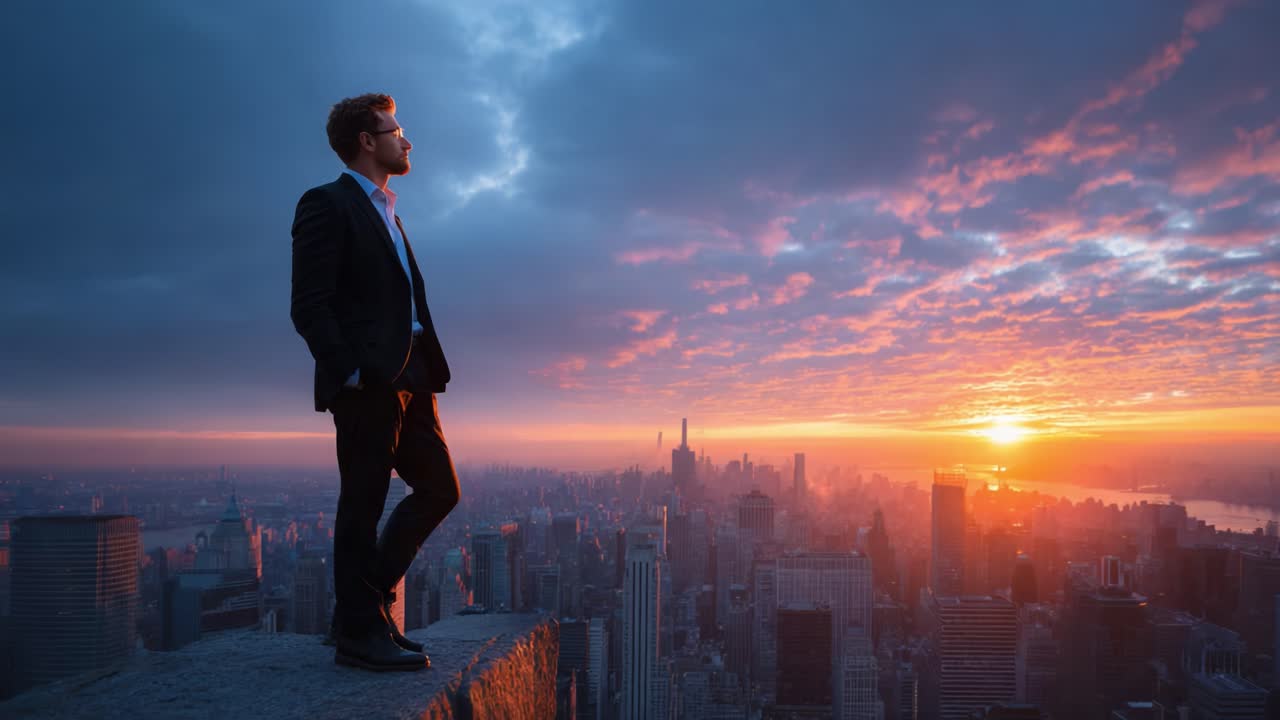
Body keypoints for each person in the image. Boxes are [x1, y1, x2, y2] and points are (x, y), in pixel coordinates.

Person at [290, 93, 457, 672]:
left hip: (411, 374)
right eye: (395, 129)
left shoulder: (390, 210)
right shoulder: (326, 204)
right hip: (369, 379)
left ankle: (361, 609)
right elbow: (309, 304)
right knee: (362, 501)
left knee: (440, 489)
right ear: (367, 139)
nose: (406, 141)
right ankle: (359, 635)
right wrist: (352, 371)